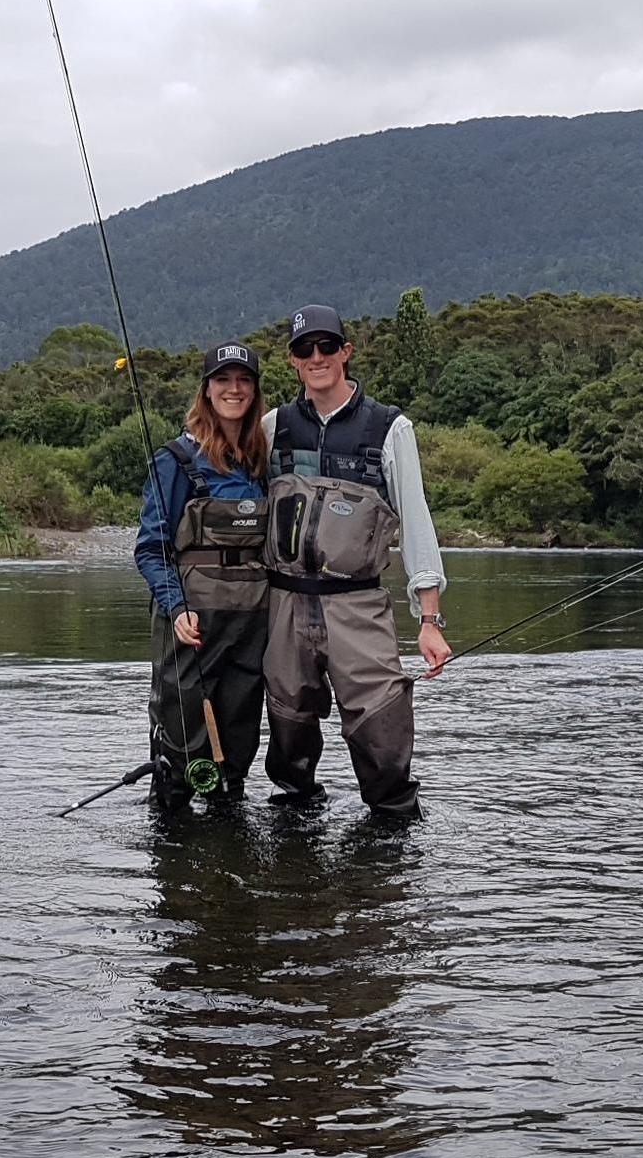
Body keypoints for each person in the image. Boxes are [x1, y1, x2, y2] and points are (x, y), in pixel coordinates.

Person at [261, 303, 451, 819]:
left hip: (359, 605)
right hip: (283, 606)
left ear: (346, 352)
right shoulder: (272, 427)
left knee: (382, 734)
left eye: (327, 346)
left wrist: (429, 622)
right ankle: (294, 844)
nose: (317, 357)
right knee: (288, 734)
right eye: (305, 349)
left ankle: (393, 847)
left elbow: (416, 524)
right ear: (293, 361)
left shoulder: (390, 428)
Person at [134, 342, 269, 804]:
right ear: (206, 390)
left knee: (237, 745)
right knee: (181, 743)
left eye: (244, 380)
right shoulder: (174, 460)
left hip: (251, 622)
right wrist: (176, 609)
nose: (234, 389)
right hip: (191, 622)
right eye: (223, 380)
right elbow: (151, 549)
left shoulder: (262, 461)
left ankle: (230, 851)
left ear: (254, 391)